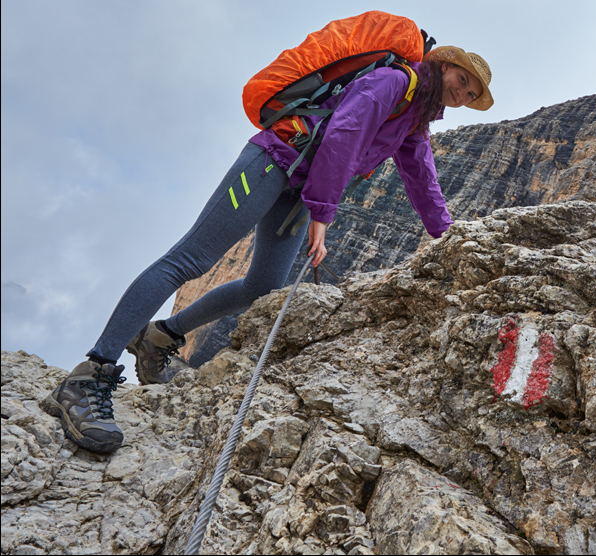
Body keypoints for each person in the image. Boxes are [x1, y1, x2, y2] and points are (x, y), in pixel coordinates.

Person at [42, 45, 493, 454]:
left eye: (471, 94)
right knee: (190, 260)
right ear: (444, 65)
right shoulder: (394, 82)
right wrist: (324, 212)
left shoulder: (414, 120)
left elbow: (423, 180)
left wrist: (449, 237)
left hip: (298, 188)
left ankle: (161, 335)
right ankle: (91, 374)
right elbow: (343, 134)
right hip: (273, 161)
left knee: (263, 286)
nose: (463, 93)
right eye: (462, 80)